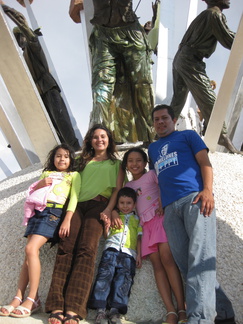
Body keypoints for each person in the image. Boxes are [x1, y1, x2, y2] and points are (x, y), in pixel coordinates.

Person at [148, 104, 236, 324]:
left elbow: (205, 163)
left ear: (173, 119)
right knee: (187, 264)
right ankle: (224, 314)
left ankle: (200, 318)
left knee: (200, 257)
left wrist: (207, 191)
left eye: (164, 118)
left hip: (194, 200)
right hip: (170, 209)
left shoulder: (188, 135)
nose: (160, 122)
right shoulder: (153, 149)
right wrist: (161, 203)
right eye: (156, 120)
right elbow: (159, 177)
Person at [45, 124, 125, 324]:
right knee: (66, 248)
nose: (99, 140)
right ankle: (56, 305)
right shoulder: (81, 160)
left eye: (103, 136)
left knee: (87, 251)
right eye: (95, 137)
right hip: (76, 206)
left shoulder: (117, 164)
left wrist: (109, 209)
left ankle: (74, 309)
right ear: (89, 140)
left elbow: (117, 190)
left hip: (99, 206)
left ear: (109, 140)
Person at [0, 143, 81, 318]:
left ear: (71, 160)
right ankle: (18, 297)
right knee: (28, 257)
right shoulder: (46, 173)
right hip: (38, 212)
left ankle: (33, 298)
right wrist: (40, 184)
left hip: (53, 213)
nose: (62, 159)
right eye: (58, 155)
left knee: (30, 249)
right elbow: (34, 193)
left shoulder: (73, 175)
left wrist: (67, 219)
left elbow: (74, 198)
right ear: (53, 158)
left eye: (66, 156)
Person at [69, 0, 154, 145]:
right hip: (103, 35)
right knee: (101, 87)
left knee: (142, 82)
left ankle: (151, 134)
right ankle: (97, 139)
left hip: (131, 32)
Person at [1, 4, 80, 151]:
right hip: (40, 93)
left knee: (61, 121)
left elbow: (22, 22)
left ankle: (76, 149)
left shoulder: (33, 45)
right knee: (53, 128)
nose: (19, 41)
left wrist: (5, 8)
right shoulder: (23, 56)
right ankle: (67, 152)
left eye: (19, 36)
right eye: (17, 38)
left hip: (48, 87)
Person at [121, 148, 187, 324]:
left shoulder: (151, 175)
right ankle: (170, 311)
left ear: (145, 162)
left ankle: (182, 308)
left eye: (138, 160)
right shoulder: (127, 187)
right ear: (126, 165)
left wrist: (162, 202)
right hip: (145, 226)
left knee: (167, 258)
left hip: (158, 219)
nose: (135, 164)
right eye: (130, 161)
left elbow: (164, 187)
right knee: (157, 264)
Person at [170, 0, 242, 155]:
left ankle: (157, 133)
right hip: (190, 61)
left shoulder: (205, 15)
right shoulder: (214, 15)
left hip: (182, 58)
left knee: (177, 102)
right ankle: (221, 136)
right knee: (210, 99)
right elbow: (229, 40)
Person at [88, 187, 142, 324]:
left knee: (123, 281)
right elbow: (107, 235)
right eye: (122, 203)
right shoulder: (115, 216)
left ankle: (115, 312)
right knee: (104, 277)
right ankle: (100, 311)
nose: (125, 206)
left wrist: (139, 255)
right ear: (117, 204)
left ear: (134, 204)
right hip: (111, 250)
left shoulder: (137, 219)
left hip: (129, 254)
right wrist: (106, 228)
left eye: (128, 203)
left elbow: (139, 238)